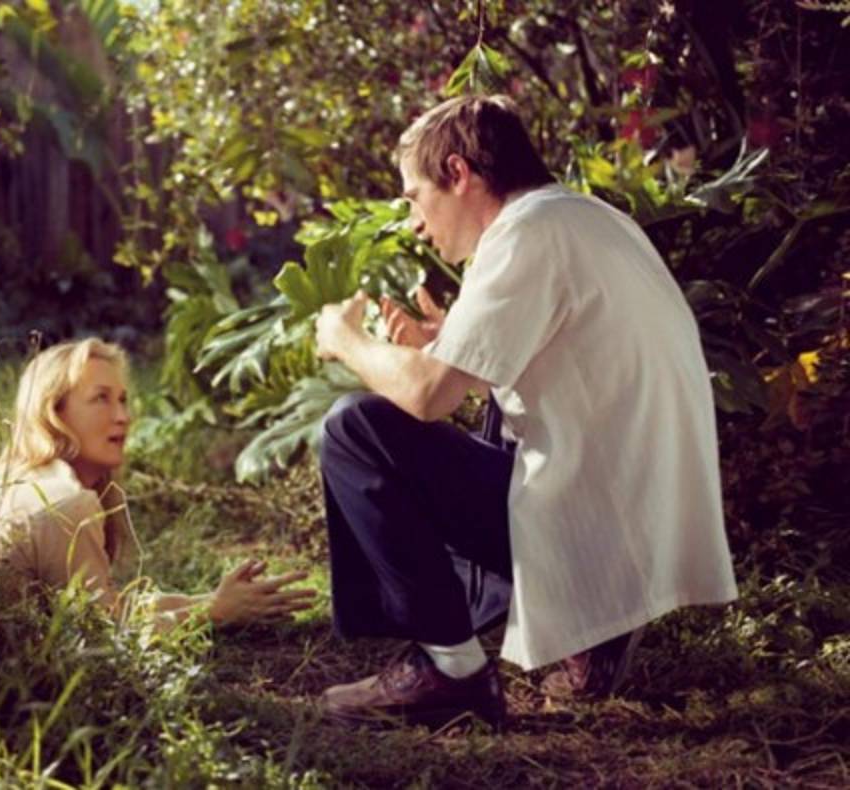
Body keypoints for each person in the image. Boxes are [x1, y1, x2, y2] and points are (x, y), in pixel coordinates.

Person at [313, 95, 737, 729]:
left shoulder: (524, 232)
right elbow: (565, 369)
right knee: (483, 419)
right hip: (638, 519)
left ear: (458, 173)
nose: (415, 224)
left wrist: (345, 340)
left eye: (414, 198)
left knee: (354, 429)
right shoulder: (587, 218)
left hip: (595, 522)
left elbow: (428, 397)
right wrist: (442, 345)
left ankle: (450, 668)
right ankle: (591, 624)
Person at [0, 338, 316, 630]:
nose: (122, 416)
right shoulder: (65, 501)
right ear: (54, 413)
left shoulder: (11, 481)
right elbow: (106, 635)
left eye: (122, 400)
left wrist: (212, 599)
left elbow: (106, 607)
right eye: (100, 399)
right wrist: (215, 613)